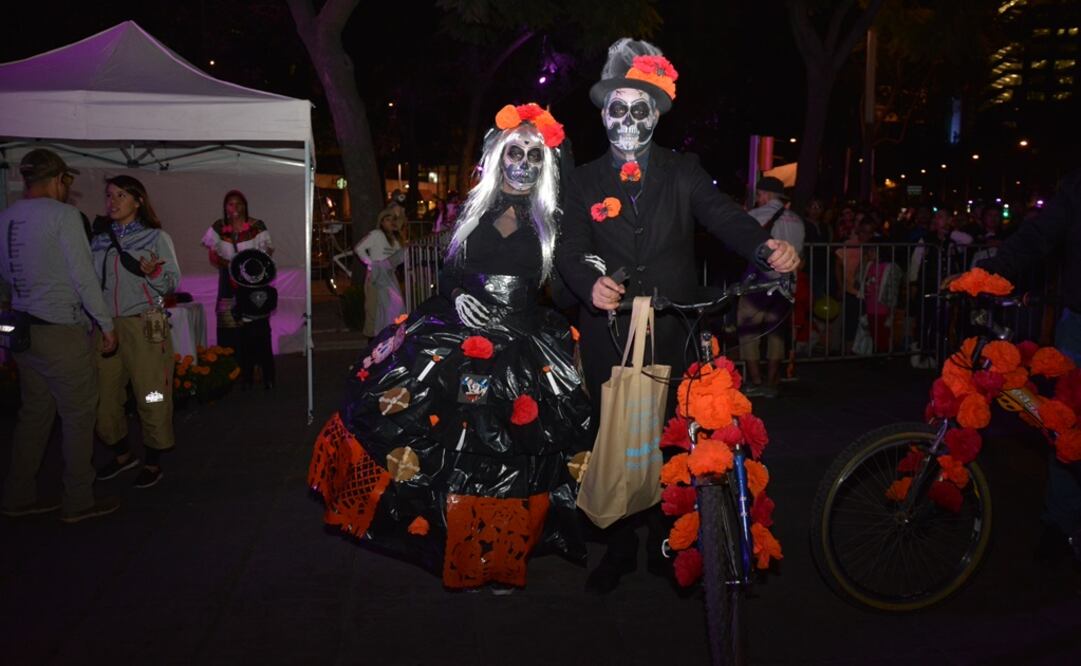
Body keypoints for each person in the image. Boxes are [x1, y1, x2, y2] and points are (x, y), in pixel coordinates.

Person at [308, 102, 592, 593]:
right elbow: (452, 270)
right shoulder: (473, 209)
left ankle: (500, 555)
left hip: (522, 346)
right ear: (500, 156)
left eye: (534, 154)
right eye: (514, 151)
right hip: (459, 336)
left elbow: (565, 293)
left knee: (506, 457)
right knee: (449, 449)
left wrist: (587, 269)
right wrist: (457, 294)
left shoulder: (554, 219)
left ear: (545, 164)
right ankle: (448, 545)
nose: (522, 162)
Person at [554, 38, 799, 594]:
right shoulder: (582, 179)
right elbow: (568, 247)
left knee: (675, 441)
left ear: (657, 115)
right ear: (602, 112)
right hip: (608, 335)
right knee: (612, 437)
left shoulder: (683, 170)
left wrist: (765, 248)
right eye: (617, 106)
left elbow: (725, 217)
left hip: (676, 332)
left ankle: (673, 540)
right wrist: (589, 285)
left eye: (640, 107)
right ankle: (618, 546)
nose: (628, 118)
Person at [0, 149, 119, 523]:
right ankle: (78, 499)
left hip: (21, 331)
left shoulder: (5, 218)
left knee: (34, 414)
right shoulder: (64, 217)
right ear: (56, 180)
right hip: (59, 330)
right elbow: (82, 277)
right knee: (78, 414)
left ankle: (18, 495)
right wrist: (106, 324)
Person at [975, 169, 1081, 562]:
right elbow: (1037, 236)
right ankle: (1059, 524)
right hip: (1078, 324)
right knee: (1064, 426)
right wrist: (987, 273)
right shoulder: (1076, 186)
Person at [90, 176, 181, 488]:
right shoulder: (99, 239)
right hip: (106, 326)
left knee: (152, 392)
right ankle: (121, 454)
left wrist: (154, 272)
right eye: (109, 195)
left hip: (147, 322)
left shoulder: (155, 238)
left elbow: (172, 282)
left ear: (138, 201)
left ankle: (153, 459)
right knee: (102, 398)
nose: (112, 201)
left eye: (121, 195)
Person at [738, 176, 804, 397]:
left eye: (758, 195)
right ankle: (772, 382)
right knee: (776, 332)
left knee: (749, 330)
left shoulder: (754, 217)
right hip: (785, 284)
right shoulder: (797, 220)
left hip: (757, 283)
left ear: (765, 195)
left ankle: (756, 381)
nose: (757, 199)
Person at [201, 190, 273, 375]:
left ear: (245, 206)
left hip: (252, 281)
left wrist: (250, 265)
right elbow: (213, 254)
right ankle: (231, 368)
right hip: (228, 279)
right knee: (228, 322)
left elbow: (267, 252)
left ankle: (256, 366)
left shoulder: (257, 226)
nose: (235, 208)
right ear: (225, 207)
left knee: (253, 324)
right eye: (231, 204)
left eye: (239, 203)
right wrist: (230, 265)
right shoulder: (218, 227)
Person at [354, 206, 405, 337]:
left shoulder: (395, 239)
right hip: (376, 276)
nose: (390, 222)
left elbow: (399, 256)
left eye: (392, 219)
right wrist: (371, 264)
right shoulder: (376, 234)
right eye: (387, 219)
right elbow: (359, 248)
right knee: (373, 307)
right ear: (381, 222)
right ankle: (371, 339)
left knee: (393, 306)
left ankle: (387, 336)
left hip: (390, 276)